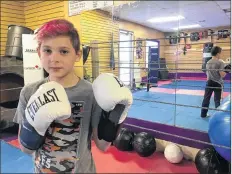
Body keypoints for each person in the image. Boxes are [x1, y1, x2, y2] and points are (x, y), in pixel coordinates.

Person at [13, 19, 132, 173]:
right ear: (38, 52)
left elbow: (103, 145)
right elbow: (25, 148)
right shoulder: (29, 92)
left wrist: (116, 114)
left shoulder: (91, 93)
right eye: (47, 50)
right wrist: (33, 126)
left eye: (63, 51)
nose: (54, 59)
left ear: (77, 54)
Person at [200, 46, 227, 118]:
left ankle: (203, 114)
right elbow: (222, 75)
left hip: (209, 82)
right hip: (217, 83)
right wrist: (227, 71)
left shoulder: (208, 62)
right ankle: (218, 116)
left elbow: (207, 74)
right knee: (217, 100)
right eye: (220, 53)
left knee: (206, 99)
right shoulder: (220, 62)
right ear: (218, 53)